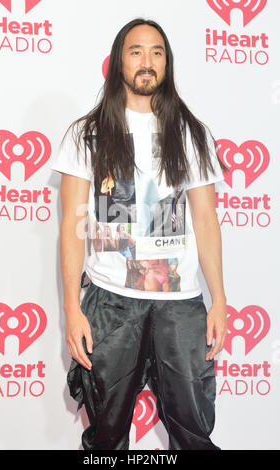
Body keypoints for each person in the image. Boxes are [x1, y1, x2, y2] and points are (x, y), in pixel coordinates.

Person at [51, 18, 228, 450]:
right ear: (119, 62)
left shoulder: (191, 133)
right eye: (136, 52)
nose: (146, 62)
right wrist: (72, 308)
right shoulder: (86, 134)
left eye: (157, 52)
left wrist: (220, 298)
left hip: (181, 304)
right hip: (110, 302)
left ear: (167, 64)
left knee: (194, 432)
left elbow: (205, 220)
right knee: (107, 436)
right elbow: (72, 229)